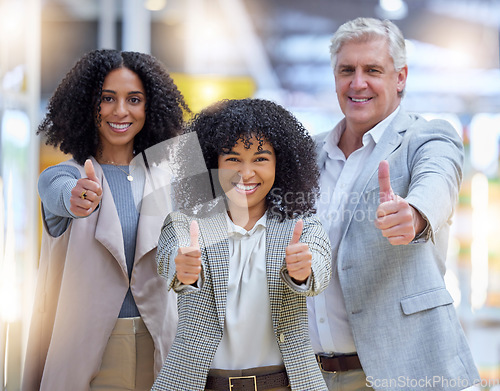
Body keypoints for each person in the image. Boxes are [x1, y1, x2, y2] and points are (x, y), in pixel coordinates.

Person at [308, 17, 480, 391]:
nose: (357, 83)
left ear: (400, 77)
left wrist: (414, 215)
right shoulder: (308, 151)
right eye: (346, 70)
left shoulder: (427, 137)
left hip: (405, 372)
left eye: (372, 70)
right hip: (313, 376)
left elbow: (438, 181)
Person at [22, 49, 189, 391]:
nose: (120, 110)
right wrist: (77, 196)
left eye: (134, 99)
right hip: (89, 356)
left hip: (164, 350)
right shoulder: (63, 175)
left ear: (151, 107)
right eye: (107, 98)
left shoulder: (170, 178)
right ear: (87, 105)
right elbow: (60, 192)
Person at [152, 98, 332, 391]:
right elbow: (172, 258)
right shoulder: (185, 224)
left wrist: (304, 271)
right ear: (213, 163)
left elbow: (319, 268)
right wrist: (183, 269)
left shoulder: (303, 227)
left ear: (280, 163)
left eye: (260, 159)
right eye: (233, 159)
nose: (246, 173)